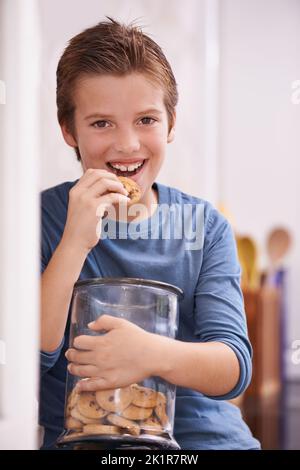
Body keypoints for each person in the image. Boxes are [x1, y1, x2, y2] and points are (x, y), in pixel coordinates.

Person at [40, 17, 260, 450]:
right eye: (101, 123)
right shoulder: (39, 220)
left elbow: (234, 367)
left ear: (171, 123)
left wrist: (152, 354)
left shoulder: (205, 227)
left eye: (145, 119)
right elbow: (31, 357)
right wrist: (75, 241)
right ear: (69, 130)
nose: (127, 144)